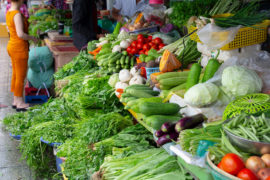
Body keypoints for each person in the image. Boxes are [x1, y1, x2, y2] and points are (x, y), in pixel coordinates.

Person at [6, 0, 38, 111]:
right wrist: (32, 38)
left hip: (12, 46)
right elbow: (21, 34)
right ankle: (19, 102)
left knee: (15, 74)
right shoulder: (17, 14)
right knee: (20, 76)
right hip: (19, 48)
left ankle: (16, 100)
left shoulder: (10, 11)